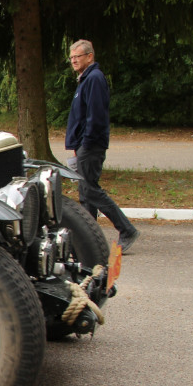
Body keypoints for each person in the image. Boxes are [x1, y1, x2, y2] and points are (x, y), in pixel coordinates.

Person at [64, 40, 140, 252]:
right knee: (85, 192)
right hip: (83, 146)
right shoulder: (85, 80)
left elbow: (95, 117)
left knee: (91, 191)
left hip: (91, 145)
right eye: (71, 58)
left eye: (78, 56)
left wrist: (86, 143)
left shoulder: (95, 79)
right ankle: (88, 240)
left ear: (90, 56)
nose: (74, 60)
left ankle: (127, 230)